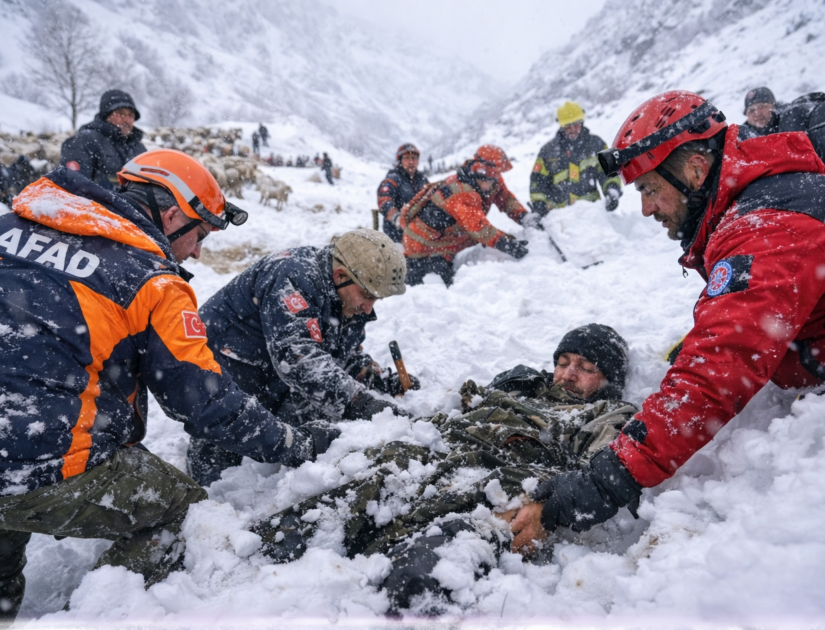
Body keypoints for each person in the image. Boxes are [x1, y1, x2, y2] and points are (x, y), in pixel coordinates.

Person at [501, 90, 825, 558]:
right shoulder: (763, 200)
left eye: (648, 189)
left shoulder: (764, 224)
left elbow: (712, 378)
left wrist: (595, 487)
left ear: (693, 169)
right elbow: (758, 315)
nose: (646, 209)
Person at [0, 149, 337, 625]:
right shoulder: (149, 278)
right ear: (171, 213)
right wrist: (292, 442)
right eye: (199, 234)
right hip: (32, 461)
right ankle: (97, 613)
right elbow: (202, 398)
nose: (197, 251)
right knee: (183, 513)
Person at [250, 323, 635, 612]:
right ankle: (252, 575)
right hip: (435, 457)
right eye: (563, 362)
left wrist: (547, 507)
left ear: (608, 379)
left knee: (428, 571)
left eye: (584, 367)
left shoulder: (606, 412)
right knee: (324, 517)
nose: (567, 374)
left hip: (501, 483)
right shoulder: (519, 386)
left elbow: (594, 474)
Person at [187, 229, 417, 486]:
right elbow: (298, 359)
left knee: (316, 435)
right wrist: (359, 401)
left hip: (272, 372)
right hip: (223, 366)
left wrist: (376, 378)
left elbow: (339, 352)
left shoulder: (346, 294)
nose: (369, 307)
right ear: (340, 275)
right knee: (219, 471)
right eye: (367, 295)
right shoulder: (293, 275)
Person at [401, 145, 532, 287]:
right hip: (424, 246)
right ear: (481, 172)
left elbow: (506, 200)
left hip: (448, 239)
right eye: (492, 176)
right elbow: (478, 227)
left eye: (496, 175)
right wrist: (505, 243)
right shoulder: (462, 193)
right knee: (435, 290)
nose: (496, 179)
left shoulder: (490, 180)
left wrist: (523, 217)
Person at [530, 101, 623, 216]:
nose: (573, 129)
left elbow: (609, 172)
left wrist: (612, 191)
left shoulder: (596, 144)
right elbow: (537, 182)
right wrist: (539, 206)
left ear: (582, 122)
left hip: (591, 214)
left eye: (576, 124)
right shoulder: (547, 151)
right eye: (568, 126)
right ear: (561, 125)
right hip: (557, 217)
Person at [60, 89, 147, 191]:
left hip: (133, 207)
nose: (126, 120)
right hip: (97, 206)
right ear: (106, 115)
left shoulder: (139, 149)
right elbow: (73, 189)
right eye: (120, 113)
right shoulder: (84, 141)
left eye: (131, 115)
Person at [377, 143, 429, 242]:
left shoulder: (422, 180)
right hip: (397, 236)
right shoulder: (393, 178)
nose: (411, 161)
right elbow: (384, 200)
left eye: (414, 158)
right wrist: (396, 217)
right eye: (406, 158)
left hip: (421, 233)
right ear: (400, 161)